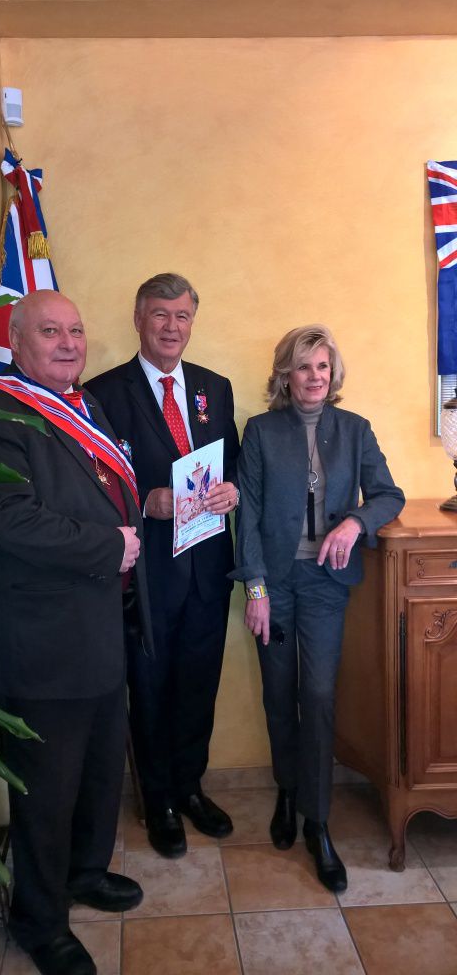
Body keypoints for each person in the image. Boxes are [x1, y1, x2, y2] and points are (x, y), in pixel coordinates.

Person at [0, 290, 152, 975]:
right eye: (50, 331)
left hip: (100, 631)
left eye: (75, 330)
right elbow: (13, 522)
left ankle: (85, 872)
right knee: (46, 789)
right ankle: (41, 921)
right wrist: (111, 548)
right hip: (40, 642)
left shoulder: (85, 407)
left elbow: (109, 492)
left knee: (99, 772)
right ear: (16, 340)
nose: (68, 342)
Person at [232, 324, 404, 893]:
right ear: (286, 373)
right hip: (275, 585)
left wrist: (356, 521)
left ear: (334, 376)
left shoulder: (354, 430)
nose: (313, 377)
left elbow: (388, 494)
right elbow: (247, 515)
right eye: (303, 367)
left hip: (326, 585)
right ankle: (287, 790)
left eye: (322, 367)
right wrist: (254, 588)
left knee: (321, 695)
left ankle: (318, 821)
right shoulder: (259, 432)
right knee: (279, 692)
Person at [86, 273, 240, 858]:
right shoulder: (101, 393)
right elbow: (93, 487)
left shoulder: (214, 388)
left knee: (199, 682)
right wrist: (145, 501)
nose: (172, 327)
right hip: (145, 574)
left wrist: (230, 491)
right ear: (138, 318)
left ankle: (190, 786)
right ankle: (159, 800)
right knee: (149, 688)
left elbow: (229, 460)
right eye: (160, 315)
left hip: (207, 567)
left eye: (182, 316)